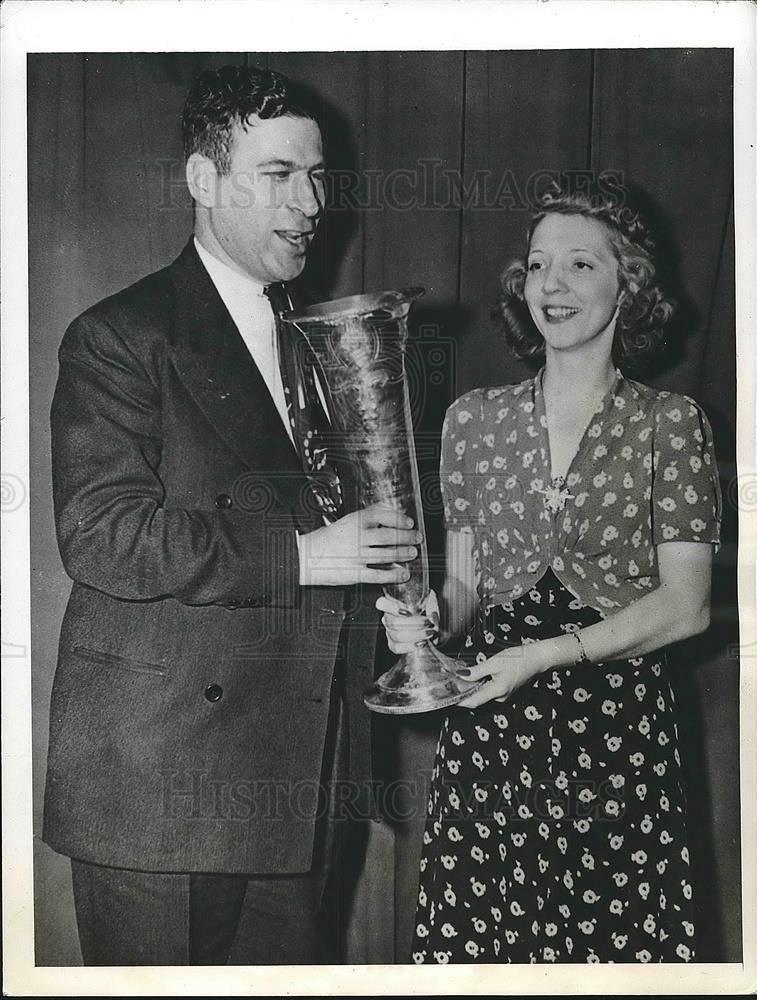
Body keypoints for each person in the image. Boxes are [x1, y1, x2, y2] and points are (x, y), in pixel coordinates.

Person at [42, 64, 421, 966]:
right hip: (160, 790)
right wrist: (304, 557)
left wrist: (390, 608)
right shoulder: (121, 335)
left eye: (319, 176)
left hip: (297, 783)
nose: (310, 201)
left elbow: (333, 541)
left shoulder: (319, 342)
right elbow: (100, 536)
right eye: (279, 174)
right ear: (203, 182)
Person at [379, 179, 721, 963]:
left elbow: (687, 605)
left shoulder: (670, 424)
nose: (551, 286)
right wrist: (425, 622)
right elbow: (463, 592)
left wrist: (543, 655)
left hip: (616, 726)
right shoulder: (471, 419)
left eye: (578, 265)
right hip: (493, 728)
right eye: (537, 266)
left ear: (626, 285)